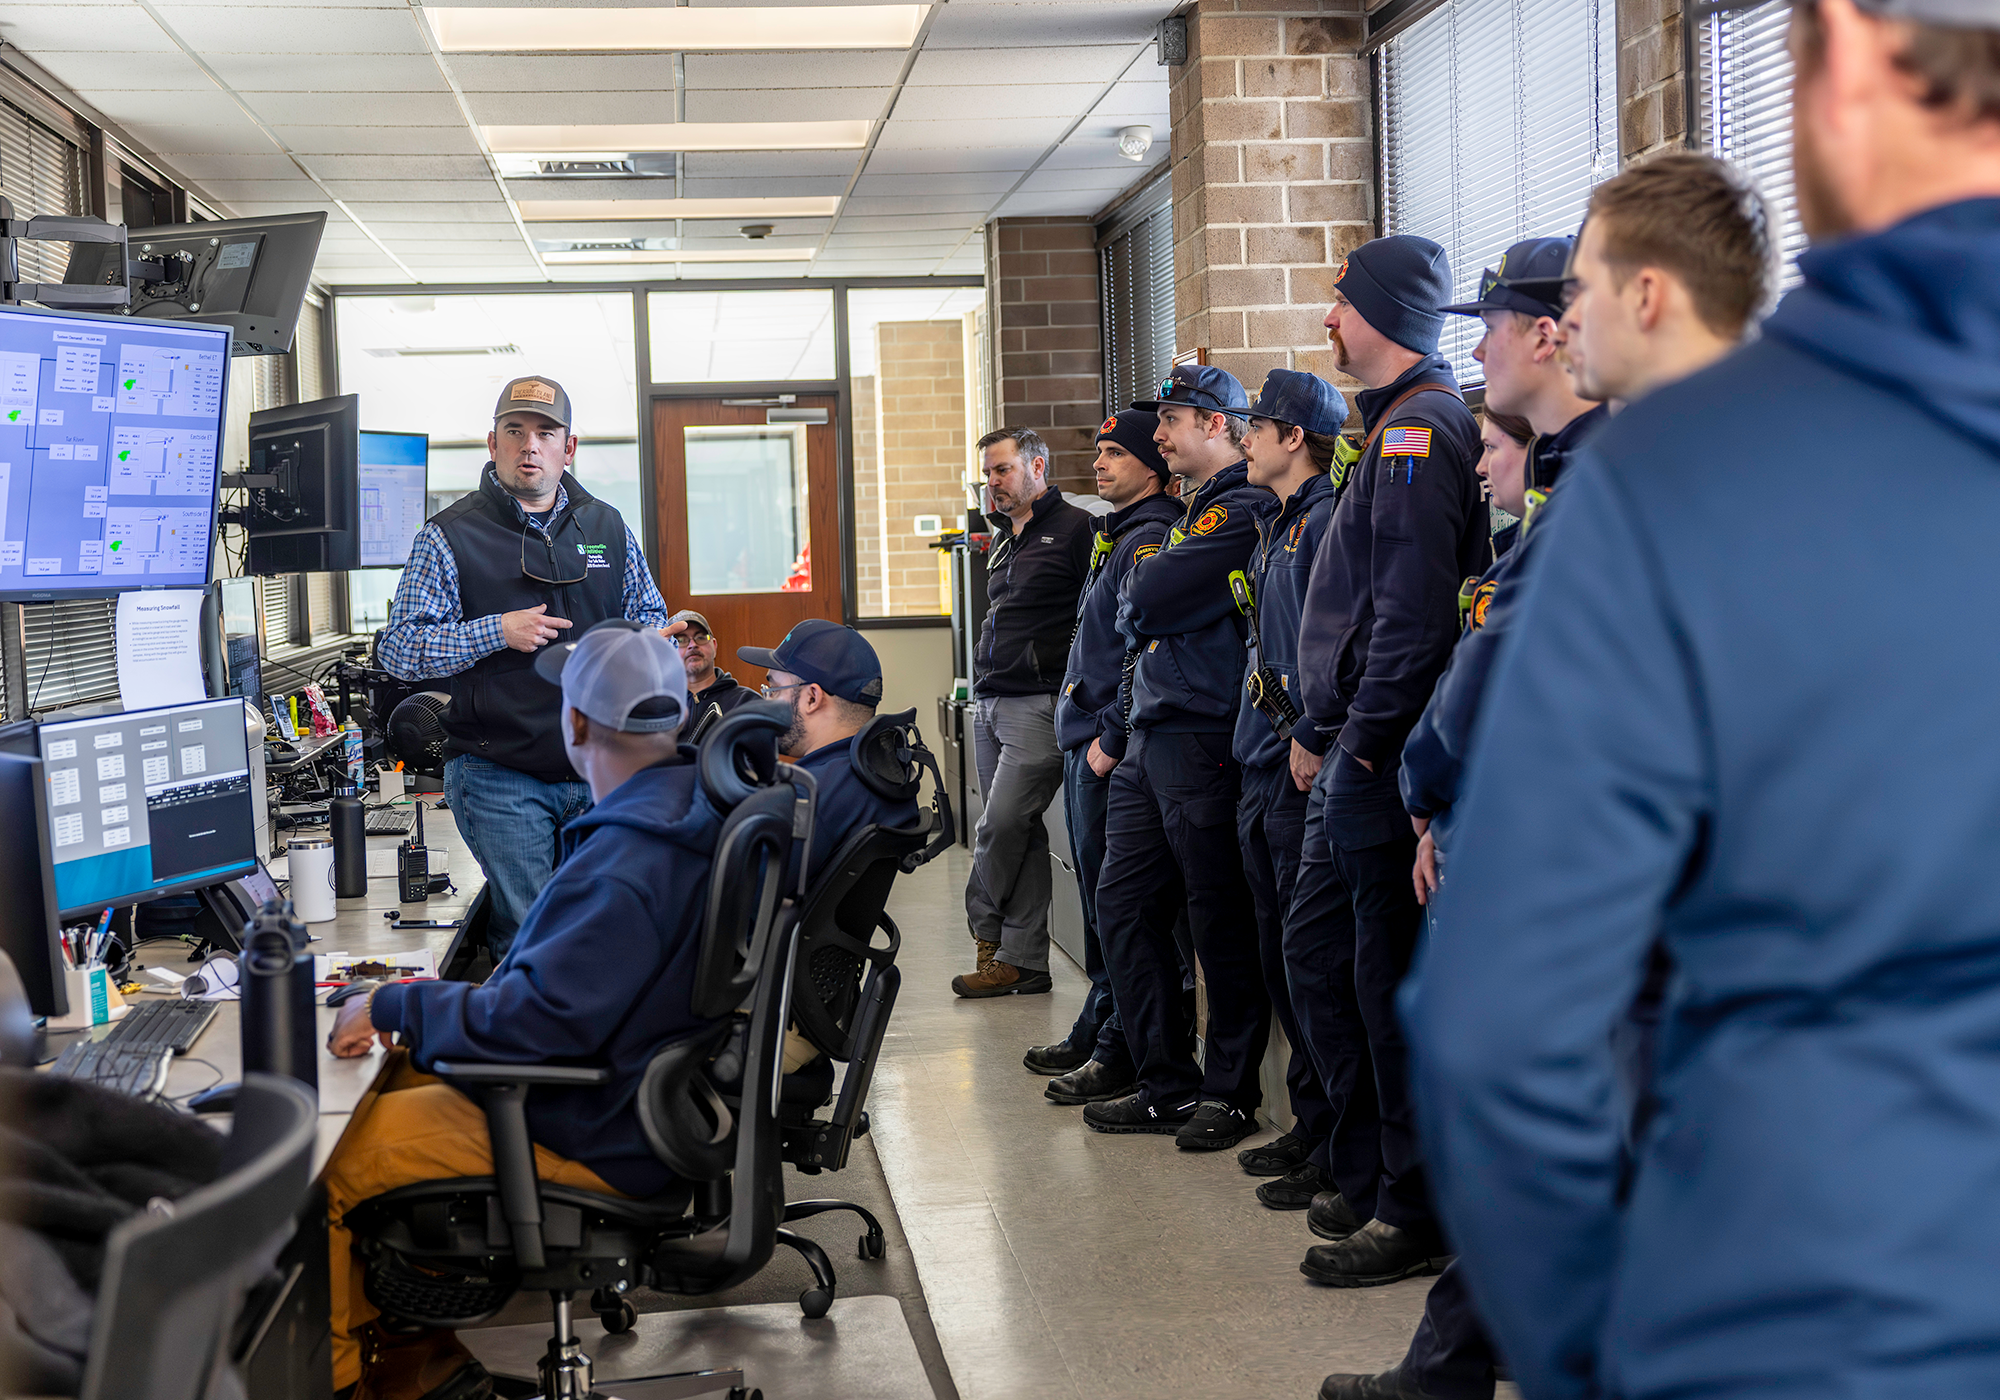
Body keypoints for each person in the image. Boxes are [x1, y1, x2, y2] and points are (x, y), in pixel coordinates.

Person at [1401, 18, 1973, 1382]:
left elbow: (1499, 1026)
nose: (1560, 324)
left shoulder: (1670, 499)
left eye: (1582, 289)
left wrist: (1590, 1345)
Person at [1318, 234, 1607, 1400]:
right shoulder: (1583, 477)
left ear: (1553, 331)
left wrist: (1405, 774)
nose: (1473, 344)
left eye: (1491, 322)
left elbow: (1463, 656)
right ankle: (1444, 1362)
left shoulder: (1593, 483)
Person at [322, 620, 715, 1400]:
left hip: (586, 1119)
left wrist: (398, 1003)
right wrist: (415, 1015)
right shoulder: (676, 810)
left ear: (573, 725)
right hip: (630, 1099)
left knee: (329, 1162)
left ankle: (340, 1383)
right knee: (385, 1081)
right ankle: (419, 1356)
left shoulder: (628, 860)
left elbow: (540, 1025)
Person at [1284, 235, 1486, 1287]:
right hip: (1357, 746)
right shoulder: (1389, 427)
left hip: (1375, 756)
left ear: (1386, 314)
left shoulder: (1417, 434)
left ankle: (1410, 1204)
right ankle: (1370, 1172)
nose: (1327, 320)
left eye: (1340, 303)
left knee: (1381, 980)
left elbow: (1408, 622)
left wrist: (1355, 742)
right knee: (1334, 963)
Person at [378, 377, 670, 959]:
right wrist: (496, 632)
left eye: (545, 432)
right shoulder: (448, 536)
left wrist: (655, 644)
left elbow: (647, 613)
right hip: (501, 774)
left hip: (600, 772)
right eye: (514, 432)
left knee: (604, 928)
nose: (529, 446)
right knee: (535, 936)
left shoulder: (606, 528)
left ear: (570, 447)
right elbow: (399, 649)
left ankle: (594, 1045)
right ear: (492, 443)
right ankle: (532, 1045)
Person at [1081, 363, 1270, 1150]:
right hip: (1149, 739)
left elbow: (1149, 600)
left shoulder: (1246, 507)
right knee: (1122, 906)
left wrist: (1153, 584)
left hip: (1199, 736)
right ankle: (1165, 1082)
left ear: (1218, 425)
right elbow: (1139, 603)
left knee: (1215, 919)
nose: (1159, 435)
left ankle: (1227, 1093)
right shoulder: (1194, 515)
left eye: (1173, 420)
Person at [1027, 412, 1182, 1100]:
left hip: (1103, 747)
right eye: (1097, 451)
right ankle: (1102, 1023)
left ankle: (1120, 1045)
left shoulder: (1147, 538)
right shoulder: (1115, 533)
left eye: (1115, 453)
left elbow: (1135, 649)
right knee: (1098, 905)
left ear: (1152, 464)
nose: (1098, 464)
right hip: (1083, 736)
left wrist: (1108, 736)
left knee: (1119, 910)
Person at [1228, 369, 1349, 1206]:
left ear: (1293, 438)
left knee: (1315, 962)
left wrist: (1311, 731)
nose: (1245, 438)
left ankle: (1339, 1138)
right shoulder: (1278, 524)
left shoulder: (1326, 524)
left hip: (1299, 760)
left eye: (1257, 426)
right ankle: (1311, 1121)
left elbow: (1334, 646)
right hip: (1260, 755)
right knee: (1279, 951)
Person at [956, 428, 1094, 999]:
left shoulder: (1076, 529)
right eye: (988, 473)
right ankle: (1024, 962)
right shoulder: (1006, 537)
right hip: (991, 701)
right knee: (1024, 833)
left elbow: (1102, 615)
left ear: (1038, 466)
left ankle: (984, 929)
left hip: (1039, 703)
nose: (993, 483)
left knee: (1001, 823)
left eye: (1003, 470)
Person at [736, 618, 918, 879]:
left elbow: (742, 894)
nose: (766, 702)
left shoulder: (808, 797)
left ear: (812, 698)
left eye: (774, 690)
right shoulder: (882, 773)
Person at [671, 608, 756, 738]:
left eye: (700, 637)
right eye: (681, 640)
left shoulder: (746, 702)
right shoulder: (656, 706)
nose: (692, 645)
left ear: (714, 646)